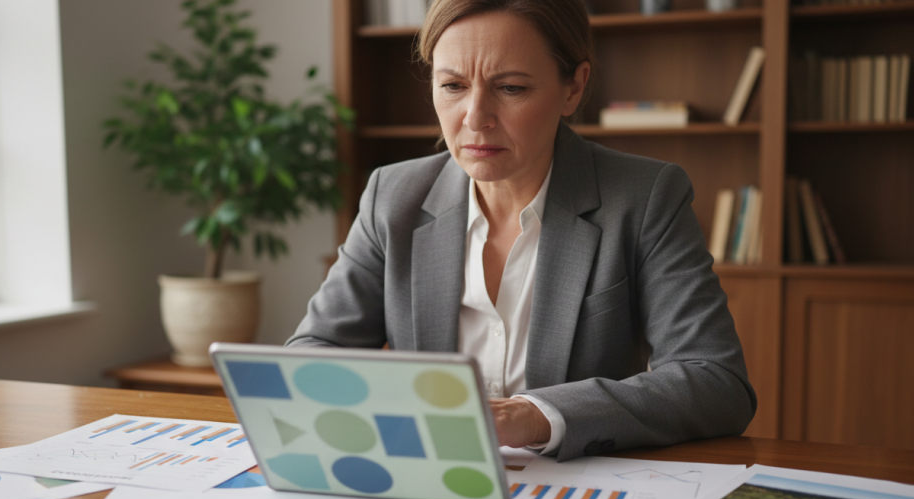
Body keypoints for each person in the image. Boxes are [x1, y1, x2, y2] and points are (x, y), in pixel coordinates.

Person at [287, 0, 756, 461]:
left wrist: (536, 415)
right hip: (431, 481)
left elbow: (716, 380)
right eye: (452, 85)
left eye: (510, 88)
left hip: (577, 491)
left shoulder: (645, 196)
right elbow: (312, 352)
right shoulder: (393, 195)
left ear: (573, 87)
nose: (474, 117)